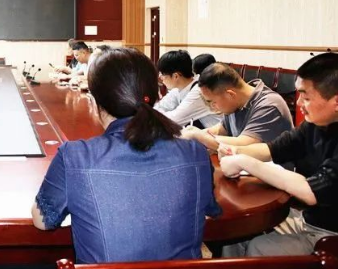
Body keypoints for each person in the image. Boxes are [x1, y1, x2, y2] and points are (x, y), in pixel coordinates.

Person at [32, 48, 220, 263]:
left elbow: (42, 221)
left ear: (95, 101)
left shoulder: (75, 156)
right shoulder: (195, 152)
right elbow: (208, 209)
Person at [218, 52, 338, 256]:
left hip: (329, 234)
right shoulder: (315, 125)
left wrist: (245, 161)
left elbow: (310, 192)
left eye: (306, 97)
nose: (299, 103)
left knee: (258, 248)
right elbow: (273, 149)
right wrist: (235, 152)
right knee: (234, 235)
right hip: (305, 219)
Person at [181, 63, 293, 151]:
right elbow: (221, 130)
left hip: (272, 172)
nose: (212, 107)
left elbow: (244, 145)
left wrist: (200, 137)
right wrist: (192, 134)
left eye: (213, 102)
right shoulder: (235, 104)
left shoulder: (269, 105)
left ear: (230, 95)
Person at [154, 50, 221, 128]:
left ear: (176, 76)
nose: (160, 77)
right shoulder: (178, 89)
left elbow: (174, 120)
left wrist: (157, 114)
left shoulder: (199, 91)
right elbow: (159, 107)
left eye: (162, 74)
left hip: (216, 134)